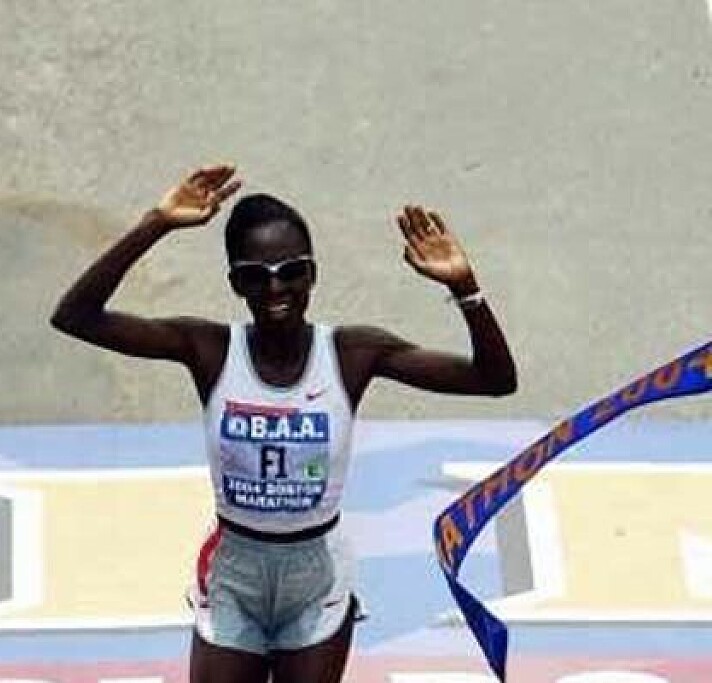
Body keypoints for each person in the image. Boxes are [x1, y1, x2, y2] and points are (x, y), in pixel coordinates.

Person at [50, 164, 517, 683]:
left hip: (315, 577)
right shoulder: (210, 350)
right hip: (235, 573)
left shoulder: (351, 354)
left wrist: (465, 288)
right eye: (256, 275)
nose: (276, 288)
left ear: (312, 274)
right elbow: (75, 317)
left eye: (291, 270)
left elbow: (494, 380)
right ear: (236, 284)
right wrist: (156, 223)